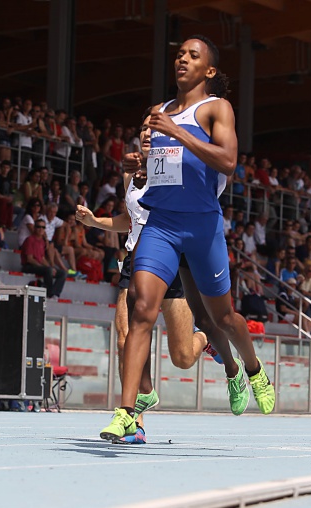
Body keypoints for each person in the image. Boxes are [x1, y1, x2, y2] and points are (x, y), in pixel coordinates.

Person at [100, 35, 275, 442]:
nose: (182, 59)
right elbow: (168, 168)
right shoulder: (158, 112)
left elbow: (228, 161)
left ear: (208, 70)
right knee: (141, 308)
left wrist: (177, 132)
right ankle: (126, 411)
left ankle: (253, 370)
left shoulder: (216, 108)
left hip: (201, 227)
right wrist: (140, 164)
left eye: (193, 56)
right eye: (179, 54)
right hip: (160, 225)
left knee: (221, 318)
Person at [77, 114, 215, 443]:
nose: (147, 134)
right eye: (143, 129)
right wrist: (95, 222)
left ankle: (205, 338)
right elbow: (129, 219)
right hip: (136, 260)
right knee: (125, 337)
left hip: (171, 262)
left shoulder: (177, 170)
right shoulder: (132, 172)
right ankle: (135, 418)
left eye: (155, 129)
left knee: (183, 357)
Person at [20, 219, 66, 299]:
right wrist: (45, 267)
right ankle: (49, 293)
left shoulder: (42, 241)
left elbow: (42, 258)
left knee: (62, 273)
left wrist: (51, 267)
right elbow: (29, 259)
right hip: (28, 266)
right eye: (39, 227)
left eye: (43, 227)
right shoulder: (30, 240)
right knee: (48, 270)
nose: (41, 229)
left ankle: (55, 294)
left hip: (38, 266)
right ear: (35, 228)